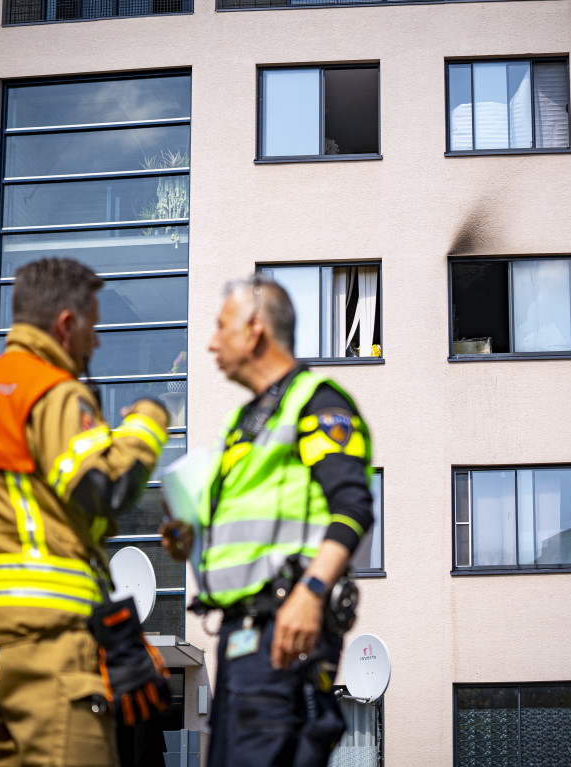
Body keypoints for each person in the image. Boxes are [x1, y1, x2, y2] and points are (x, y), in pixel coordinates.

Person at [0, 258, 171, 767]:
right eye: (94, 327)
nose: (98, 342)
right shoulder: (53, 393)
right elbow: (103, 490)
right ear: (66, 325)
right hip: (44, 643)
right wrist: (148, 424)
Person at [161, 276, 374, 767]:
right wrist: (190, 541)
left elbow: (354, 506)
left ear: (255, 330)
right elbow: (252, 528)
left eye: (220, 327)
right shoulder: (245, 423)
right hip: (242, 638)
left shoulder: (317, 404)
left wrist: (311, 593)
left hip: (285, 633)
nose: (210, 342)